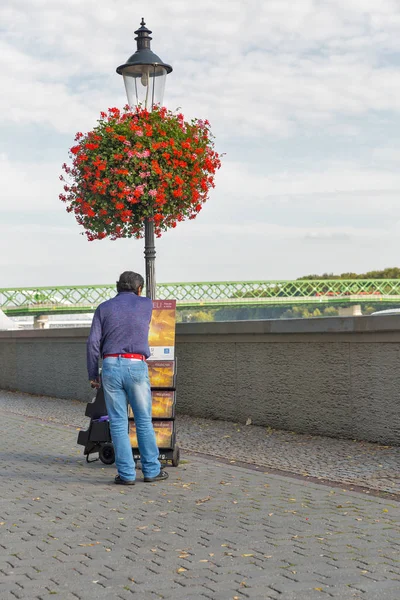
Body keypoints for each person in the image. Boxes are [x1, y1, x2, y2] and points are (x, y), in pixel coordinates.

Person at [87, 271, 168, 486]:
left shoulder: (103, 308)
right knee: (143, 420)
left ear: (117, 287)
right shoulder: (145, 304)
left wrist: (93, 374)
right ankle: (151, 470)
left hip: (111, 366)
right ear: (139, 288)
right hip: (136, 365)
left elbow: (93, 344)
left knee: (118, 423)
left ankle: (126, 474)